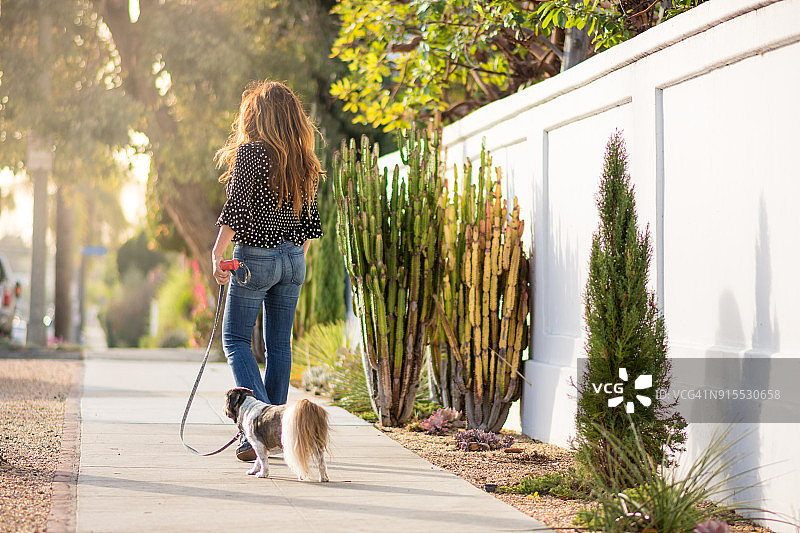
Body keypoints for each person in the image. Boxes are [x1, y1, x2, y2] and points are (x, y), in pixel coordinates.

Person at [211, 80, 323, 461]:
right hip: (293, 259)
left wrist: (218, 252)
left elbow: (237, 208)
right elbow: (310, 225)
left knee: (236, 340)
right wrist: (290, 256)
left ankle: (255, 430)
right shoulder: (302, 158)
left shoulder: (251, 153)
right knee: (279, 346)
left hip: (255, 257)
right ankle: (276, 431)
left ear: (256, 116)